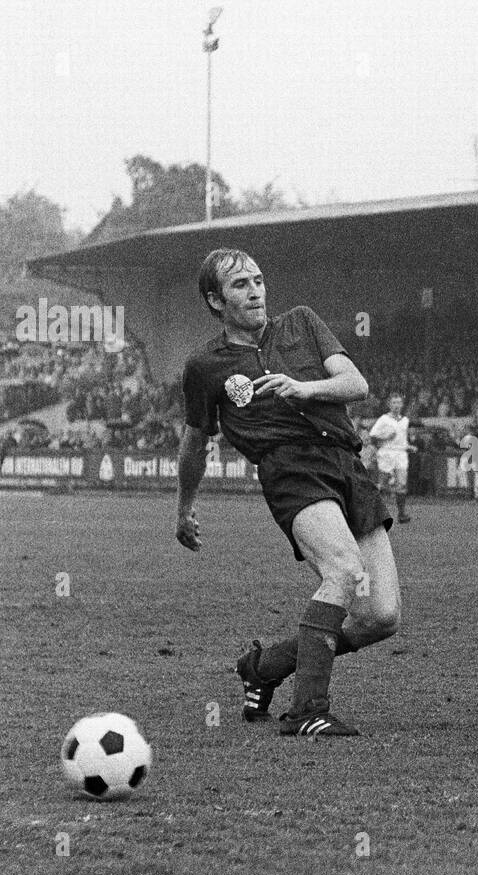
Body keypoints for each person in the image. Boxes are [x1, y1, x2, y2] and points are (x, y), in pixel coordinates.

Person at [176, 248, 401, 737]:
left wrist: (304, 388)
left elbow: (355, 383)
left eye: (258, 280)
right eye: (240, 285)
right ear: (215, 301)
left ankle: (264, 667)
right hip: (290, 470)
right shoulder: (205, 365)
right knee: (342, 570)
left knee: (381, 617)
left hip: (347, 464)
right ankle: (308, 710)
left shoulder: (302, 322)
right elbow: (196, 440)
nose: (255, 290)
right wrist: (185, 507)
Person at [369, 394, 416, 524]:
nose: (396, 405)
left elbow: (402, 439)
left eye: (399, 403)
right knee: (383, 483)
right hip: (386, 453)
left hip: (401, 454)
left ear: (402, 405)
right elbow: (372, 435)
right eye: (394, 403)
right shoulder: (384, 419)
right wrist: (386, 437)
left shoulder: (405, 420)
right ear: (390, 405)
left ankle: (402, 514)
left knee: (401, 484)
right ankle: (374, 513)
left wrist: (409, 446)